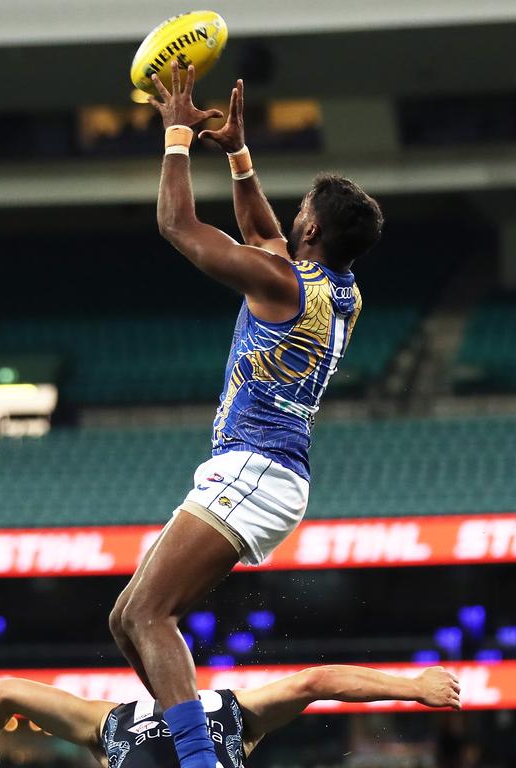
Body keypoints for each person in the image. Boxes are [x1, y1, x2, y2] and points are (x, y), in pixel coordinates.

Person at [107, 60, 385, 768]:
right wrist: (234, 152)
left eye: (303, 214)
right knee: (124, 621)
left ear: (314, 228)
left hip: (256, 469)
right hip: (263, 471)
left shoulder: (280, 279)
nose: (291, 217)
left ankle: (202, 760)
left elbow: (177, 223)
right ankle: (189, 737)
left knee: (147, 615)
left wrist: (175, 135)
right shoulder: (337, 289)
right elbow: (263, 231)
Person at [0, 665, 460, 768]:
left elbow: (316, 683)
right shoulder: (106, 720)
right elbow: (4, 692)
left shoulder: (235, 711)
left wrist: (414, 688)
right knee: (130, 617)